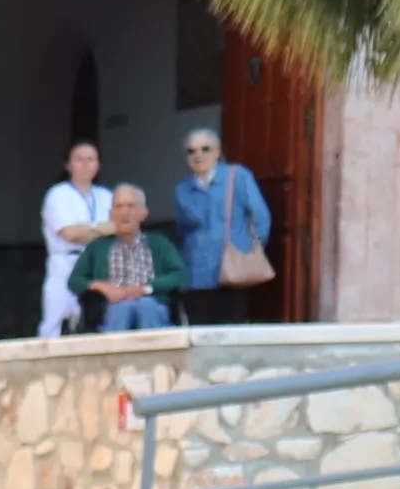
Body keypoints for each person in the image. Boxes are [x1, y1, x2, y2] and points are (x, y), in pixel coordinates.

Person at [171, 127, 274, 326]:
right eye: (191, 151)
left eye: (205, 149)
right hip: (197, 274)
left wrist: (250, 249)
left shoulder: (237, 176)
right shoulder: (182, 189)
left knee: (231, 330)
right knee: (200, 330)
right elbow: (182, 229)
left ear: (217, 152)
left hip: (233, 269)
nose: (198, 155)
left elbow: (261, 217)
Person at [75, 184, 181, 332]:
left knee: (146, 306)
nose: (125, 212)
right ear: (111, 214)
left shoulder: (160, 244)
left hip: (151, 302)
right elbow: (75, 280)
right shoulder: (97, 247)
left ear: (144, 213)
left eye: (131, 206)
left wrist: (145, 288)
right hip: (115, 306)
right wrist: (102, 286)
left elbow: (179, 276)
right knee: (122, 308)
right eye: (119, 207)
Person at [38, 142, 111, 340]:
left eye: (91, 160)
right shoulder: (58, 195)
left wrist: (86, 229)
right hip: (65, 263)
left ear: (98, 165)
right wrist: (101, 229)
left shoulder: (106, 196)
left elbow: (119, 230)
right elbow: (69, 233)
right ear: (68, 165)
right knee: (56, 320)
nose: (85, 165)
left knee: (96, 321)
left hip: (98, 265)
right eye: (79, 160)